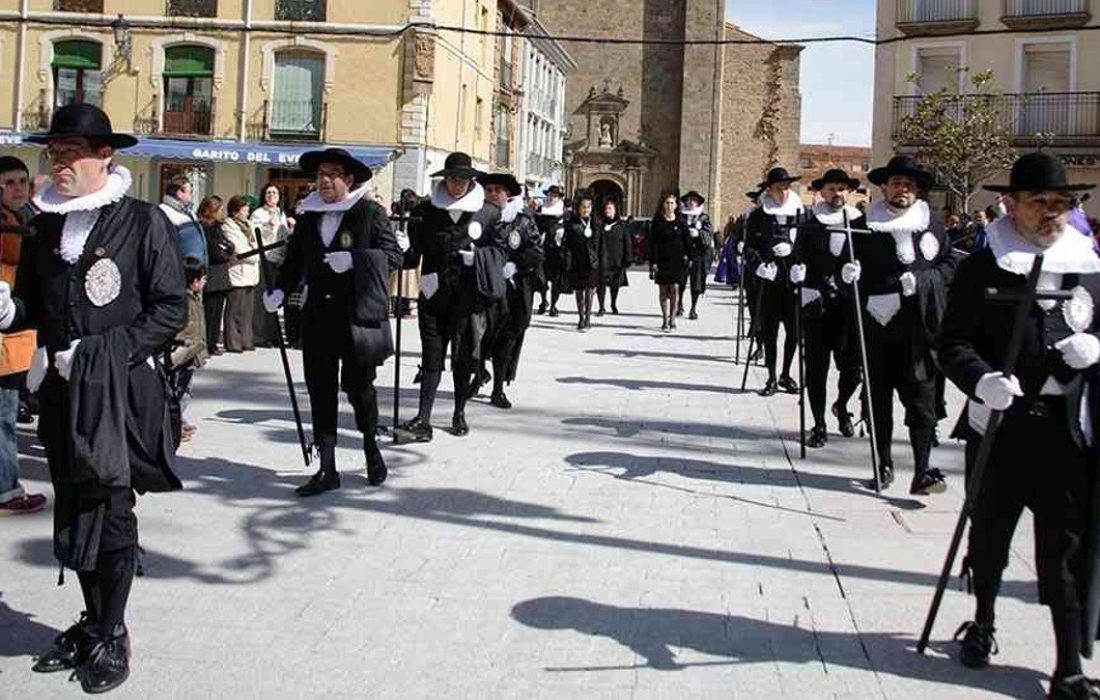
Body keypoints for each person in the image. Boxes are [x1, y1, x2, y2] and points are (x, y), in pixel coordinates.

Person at [1, 103, 185, 693]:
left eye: (73, 153)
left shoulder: (142, 221)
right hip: (59, 393)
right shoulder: (42, 225)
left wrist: (102, 353)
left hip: (118, 392)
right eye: (54, 154)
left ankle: (112, 631)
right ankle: (90, 621)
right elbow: (32, 302)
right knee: (74, 508)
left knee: (112, 510)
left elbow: (169, 311)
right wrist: (9, 310)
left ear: (106, 155)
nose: (60, 165)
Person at [937, 152, 1100, 700]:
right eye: (1039, 202)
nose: (1051, 212)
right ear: (1011, 204)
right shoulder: (985, 264)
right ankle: (982, 621)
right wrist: (981, 379)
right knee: (990, 537)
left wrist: (1095, 348)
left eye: (1062, 202)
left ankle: (1067, 666)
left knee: (1064, 551)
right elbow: (951, 343)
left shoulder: (1089, 264)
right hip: (1001, 429)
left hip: (1064, 430)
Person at [265, 148, 400, 494]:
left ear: (349, 179)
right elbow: (295, 261)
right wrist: (280, 290)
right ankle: (327, 469)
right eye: (321, 174)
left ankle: (371, 446)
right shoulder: (309, 215)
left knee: (360, 389)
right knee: (320, 391)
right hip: (317, 319)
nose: (324, 180)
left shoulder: (370, 212)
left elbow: (394, 256)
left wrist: (356, 260)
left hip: (356, 319)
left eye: (333, 174)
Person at [844, 155, 954, 494]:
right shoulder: (863, 225)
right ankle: (883, 464)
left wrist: (922, 282)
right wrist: (849, 277)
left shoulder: (932, 223)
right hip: (877, 329)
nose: (902, 189)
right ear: (884, 187)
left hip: (918, 330)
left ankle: (922, 471)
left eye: (909, 184)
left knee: (922, 403)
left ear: (916, 189)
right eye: (896, 183)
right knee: (879, 402)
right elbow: (845, 267)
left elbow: (950, 266)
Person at [394, 152, 502, 442]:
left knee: (463, 357)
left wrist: (478, 258)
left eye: (464, 179)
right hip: (433, 294)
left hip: (468, 297)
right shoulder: (425, 212)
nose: (458, 185)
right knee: (432, 356)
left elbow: (500, 253)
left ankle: (459, 413)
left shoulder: (488, 213)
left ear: (471, 181)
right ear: (445, 179)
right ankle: (423, 419)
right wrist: (394, 250)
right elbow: (412, 257)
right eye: (453, 178)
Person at [790, 169, 864, 448]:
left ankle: (842, 405)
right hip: (817, 305)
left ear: (849, 192)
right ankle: (818, 424)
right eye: (832, 189)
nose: (837, 194)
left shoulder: (861, 224)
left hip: (849, 307)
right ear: (822, 192)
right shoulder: (811, 226)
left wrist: (860, 272)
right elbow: (799, 260)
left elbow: (870, 261)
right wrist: (797, 276)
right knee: (817, 370)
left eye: (842, 189)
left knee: (852, 370)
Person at [0, 155, 44, 515]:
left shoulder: (23, 219)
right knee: (3, 416)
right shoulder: (10, 226)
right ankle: (5, 490)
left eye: (21, 181)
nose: (17, 188)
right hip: (5, 337)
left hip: (17, 336)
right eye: (8, 182)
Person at [477, 172, 543, 408]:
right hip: (484, 286)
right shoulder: (478, 216)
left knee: (506, 340)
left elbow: (536, 252)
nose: (493, 194)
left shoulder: (523, 220)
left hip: (514, 290)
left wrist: (515, 265)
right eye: (489, 189)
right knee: (478, 336)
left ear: (509, 194)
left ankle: (497, 389)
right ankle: (477, 373)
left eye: (498, 190)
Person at [745, 167, 804, 396]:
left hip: (792, 280)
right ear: (769, 189)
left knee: (794, 331)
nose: (784, 193)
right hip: (769, 281)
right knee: (770, 331)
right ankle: (770, 375)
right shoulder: (759, 215)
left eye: (787, 188)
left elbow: (808, 244)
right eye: (779, 189)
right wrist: (758, 266)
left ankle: (786, 374)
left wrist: (801, 264)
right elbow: (749, 246)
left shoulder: (801, 213)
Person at [249, 183, 291, 348]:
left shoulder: (281, 213)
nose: (271, 195)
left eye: (274, 192)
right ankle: (260, 335)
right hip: (265, 258)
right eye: (268, 192)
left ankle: (274, 335)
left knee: (274, 300)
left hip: (279, 260)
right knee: (262, 300)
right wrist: (268, 225)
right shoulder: (258, 214)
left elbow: (284, 236)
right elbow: (254, 235)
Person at [171, 256, 208, 442]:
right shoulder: (182, 300)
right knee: (178, 391)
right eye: (203, 279)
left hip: (194, 352)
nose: (204, 282)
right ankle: (174, 425)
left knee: (185, 390)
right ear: (194, 282)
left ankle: (179, 421)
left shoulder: (195, 297)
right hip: (183, 353)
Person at [647, 189, 694, 332]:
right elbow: (653, 243)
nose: (669, 205)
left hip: (677, 261)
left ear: (676, 205)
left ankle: (673, 318)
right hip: (661, 260)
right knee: (663, 291)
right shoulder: (657, 222)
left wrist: (690, 257)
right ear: (663, 205)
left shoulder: (681, 222)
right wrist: (653, 262)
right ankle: (665, 318)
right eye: (667, 203)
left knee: (675, 289)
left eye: (672, 203)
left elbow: (687, 241)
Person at [221, 195, 258, 353]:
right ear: (235, 211)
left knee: (248, 311)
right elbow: (239, 249)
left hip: (251, 271)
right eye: (244, 209)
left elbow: (256, 243)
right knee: (235, 309)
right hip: (238, 270)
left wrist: (255, 252)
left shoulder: (249, 224)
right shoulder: (228, 226)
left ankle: (246, 339)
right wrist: (256, 255)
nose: (247, 212)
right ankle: (233, 342)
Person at [198, 195, 231, 355]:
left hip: (221, 275)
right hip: (212, 274)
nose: (222, 212)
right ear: (211, 211)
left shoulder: (218, 227)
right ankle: (207, 344)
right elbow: (214, 251)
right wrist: (224, 252)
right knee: (209, 312)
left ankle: (213, 342)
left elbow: (228, 246)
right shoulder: (205, 228)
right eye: (220, 209)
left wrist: (227, 250)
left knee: (217, 312)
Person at [563, 190, 599, 330]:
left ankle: (588, 317)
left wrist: (600, 261)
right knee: (579, 291)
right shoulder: (572, 224)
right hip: (577, 262)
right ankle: (581, 317)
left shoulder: (596, 223)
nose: (586, 210)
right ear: (579, 208)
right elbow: (567, 245)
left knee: (590, 291)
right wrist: (567, 261)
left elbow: (599, 244)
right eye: (583, 207)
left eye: (588, 207)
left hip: (592, 262)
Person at [678, 190, 714, 320]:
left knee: (697, 281)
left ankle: (693, 308)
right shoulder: (680, 216)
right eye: (689, 200)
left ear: (698, 202)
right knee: (680, 280)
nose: (691, 202)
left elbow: (709, 235)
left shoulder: (704, 217)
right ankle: (679, 304)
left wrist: (699, 234)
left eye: (694, 200)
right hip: (683, 253)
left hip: (699, 253)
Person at [158, 174, 207, 267]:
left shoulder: (190, 213)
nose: (191, 195)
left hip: (196, 271)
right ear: (179, 193)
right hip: (176, 270)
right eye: (190, 192)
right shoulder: (163, 212)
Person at [535, 185, 567, 316]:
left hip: (557, 251)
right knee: (542, 279)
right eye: (550, 194)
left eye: (555, 195)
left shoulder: (564, 212)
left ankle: (553, 305)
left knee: (556, 281)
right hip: (543, 249)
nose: (552, 197)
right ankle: (543, 301)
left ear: (559, 197)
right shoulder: (541, 209)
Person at [597, 198, 631, 316]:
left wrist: (628, 258)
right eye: (606, 208)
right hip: (602, 259)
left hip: (616, 260)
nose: (608, 211)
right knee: (601, 284)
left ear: (615, 211)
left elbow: (627, 243)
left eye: (610, 209)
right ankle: (601, 306)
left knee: (614, 285)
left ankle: (613, 303)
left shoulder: (621, 226)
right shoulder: (599, 225)